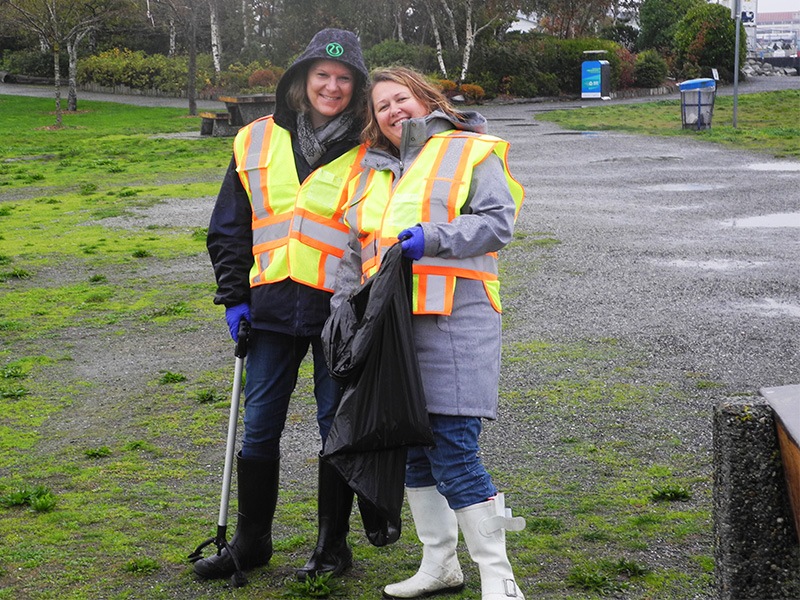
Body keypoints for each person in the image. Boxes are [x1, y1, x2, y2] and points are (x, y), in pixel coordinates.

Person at [330, 66, 527, 600]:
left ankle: (500, 577)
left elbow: (497, 223)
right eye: (381, 107)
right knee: (411, 447)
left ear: (426, 98)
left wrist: (432, 238)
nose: (393, 111)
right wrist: (342, 307)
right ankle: (440, 564)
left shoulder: (470, 150)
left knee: (454, 448)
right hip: (390, 332)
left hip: (455, 322)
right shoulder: (368, 172)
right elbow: (354, 251)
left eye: (401, 99)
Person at [197, 28, 369, 582]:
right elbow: (229, 227)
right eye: (322, 75)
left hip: (339, 315)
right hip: (268, 310)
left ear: (358, 87)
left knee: (334, 428)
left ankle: (332, 547)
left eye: (344, 78)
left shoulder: (373, 147)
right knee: (259, 426)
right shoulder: (253, 140)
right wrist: (233, 299)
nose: (332, 86)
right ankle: (251, 544)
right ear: (301, 79)